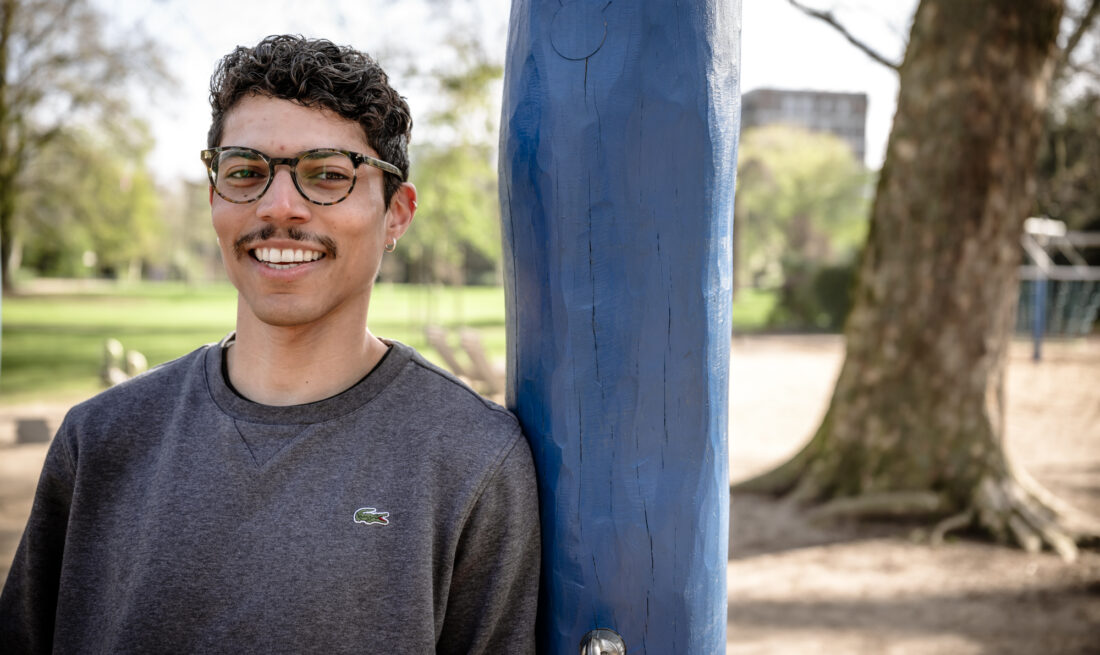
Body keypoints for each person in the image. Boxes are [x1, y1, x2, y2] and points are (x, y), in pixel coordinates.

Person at [0, 35, 540, 653]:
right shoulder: (98, 441)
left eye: (329, 175)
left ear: (397, 213)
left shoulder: (474, 461)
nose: (279, 206)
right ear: (214, 198)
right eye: (246, 172)